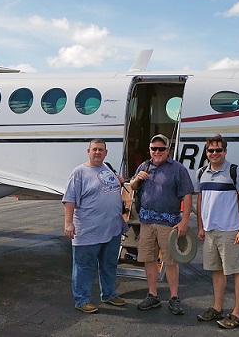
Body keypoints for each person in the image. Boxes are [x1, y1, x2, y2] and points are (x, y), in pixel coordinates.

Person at [129, 134, 194, 315]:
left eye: (161, 149)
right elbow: (132, 187)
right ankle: (153, 295)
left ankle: (174, 298)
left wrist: (185, 221)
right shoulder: (144, 166)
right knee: (149, 259)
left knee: (171, 261)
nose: (157, 152)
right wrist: (137, 179)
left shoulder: (178, 169)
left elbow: (187, 194)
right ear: (150, 150)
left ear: (168, 150)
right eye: (153, 148)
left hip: (169, 223)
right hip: (147, 222)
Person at [62, 139, 127, 313]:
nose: (97, 152)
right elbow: (69, 199)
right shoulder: (79, 172)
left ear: (106, 153)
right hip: (88, 231)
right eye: (94, 149)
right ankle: (82, 300)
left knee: (109, 264)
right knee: (84, 266)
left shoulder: (108, 168)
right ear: (88, 151)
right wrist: (68, 223)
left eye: (101, 150)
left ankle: (109, 294)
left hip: (111, 229)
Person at [194, 134, 239, 329]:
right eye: (211, 150)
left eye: (219, 150)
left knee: (236, 271)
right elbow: (201, 201)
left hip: (229, 230)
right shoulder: (202, 172)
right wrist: (201, 226)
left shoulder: (236, 172)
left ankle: (237, 313)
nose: (214, 153)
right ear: (207, 152)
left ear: (225, 151)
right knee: (216, 271)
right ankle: (217, 308)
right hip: (210, 231)